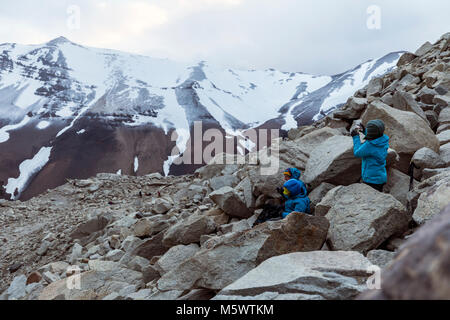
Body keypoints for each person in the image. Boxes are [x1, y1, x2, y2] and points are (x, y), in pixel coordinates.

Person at [351, 119, 389, 192]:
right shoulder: (383, 140)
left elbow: (357, 153)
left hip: (371, 180)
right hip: (380, 177)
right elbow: (375, 137)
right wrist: (365, 131)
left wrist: (355, 137)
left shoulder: (370, 145)